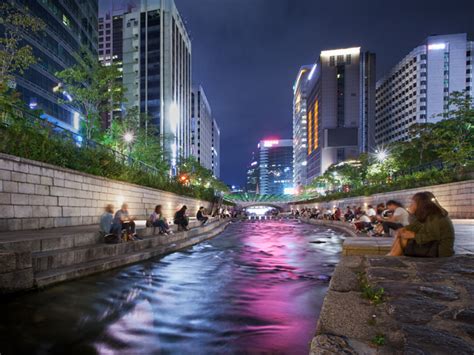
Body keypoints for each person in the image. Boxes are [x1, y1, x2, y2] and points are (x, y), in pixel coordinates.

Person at [388, 192, 454, 257]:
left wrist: (414, 235)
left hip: (439, 251)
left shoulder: (434, 217)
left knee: (404, 238)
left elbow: (432, 236)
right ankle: (391, 254)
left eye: (413, 203)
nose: (410, 205)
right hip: (432, 246)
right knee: (402, 233)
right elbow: (415, 226)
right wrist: (403, 229)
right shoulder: (426, 215)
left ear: (421, 205)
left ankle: (392, 257)